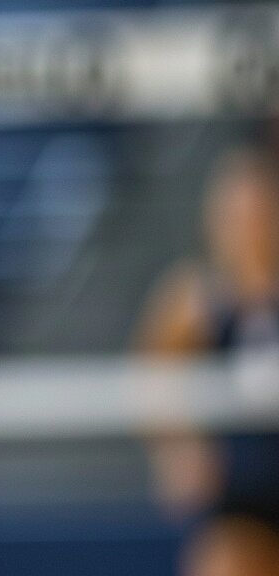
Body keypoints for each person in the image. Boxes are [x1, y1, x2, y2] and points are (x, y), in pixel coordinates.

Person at [138, 144, 279, 576]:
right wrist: (178, 455)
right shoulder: (194, 299)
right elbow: (151, 378)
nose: (246, 224)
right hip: (240, 500)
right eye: (233, 212)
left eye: (256, 210)